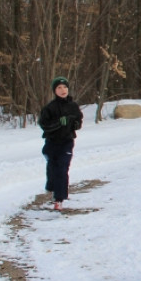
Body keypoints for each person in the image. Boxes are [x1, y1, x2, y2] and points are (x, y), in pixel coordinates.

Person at [38, 76, 84, 211]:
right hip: (52, 143)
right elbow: (44, 125)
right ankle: (51, 187)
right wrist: (59, 123)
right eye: (59, 87)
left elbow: (78, 122)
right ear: (54, 90)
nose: (63, 90)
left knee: (62, 168)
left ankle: (59, 199)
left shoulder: (73, 106)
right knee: (53, 168)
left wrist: (74, 123)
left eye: (65, 87)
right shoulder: (49, 108)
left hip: (67, 142)